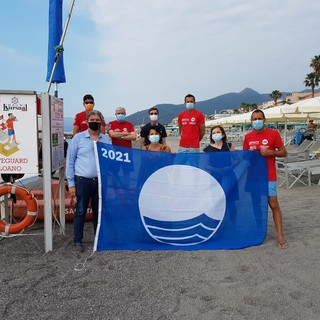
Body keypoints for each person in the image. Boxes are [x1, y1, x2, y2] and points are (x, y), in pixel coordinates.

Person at [66, 110, 111, 252]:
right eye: (92, 119)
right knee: (80, 211)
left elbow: (109, 161)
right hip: (82, 181)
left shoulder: (106, 139)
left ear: (101, 122)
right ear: (87, 121)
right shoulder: (78, 139)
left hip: (100, 181)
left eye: (98, 120)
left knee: (98, 211)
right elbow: (70, 162)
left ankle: (99, 238)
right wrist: (71, 184)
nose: (95, 122)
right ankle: (77, 240)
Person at [243, 109, 288, 249]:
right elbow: (244, 157)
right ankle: (258, 231)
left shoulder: (273, 134)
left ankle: (280, 235)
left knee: (273, 204)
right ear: (251, 121)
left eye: (259, 118)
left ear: (264, 120)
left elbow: (284, 152)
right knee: (256, 204)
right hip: (253, 176)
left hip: (269, 175)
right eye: (254, 119)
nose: (257, 121)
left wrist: (271, 152)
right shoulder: (248, 137)